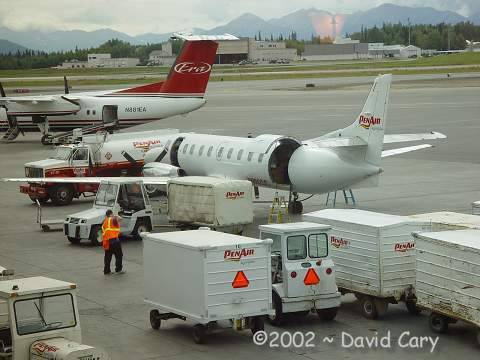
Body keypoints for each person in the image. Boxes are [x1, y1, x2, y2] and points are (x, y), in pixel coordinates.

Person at [102, 209, 124, 275]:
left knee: (108, 257)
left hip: (107, 242)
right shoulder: (113, 219)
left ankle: (106, 271)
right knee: (119, 255)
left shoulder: (104, 222)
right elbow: (121, 219)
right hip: (114, 241)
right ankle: (118, 270)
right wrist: (115, 215)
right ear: (111, 214)